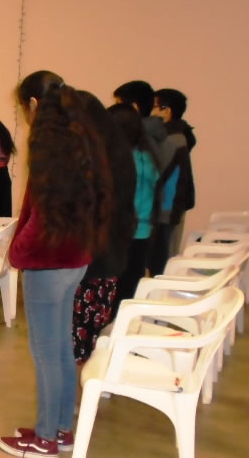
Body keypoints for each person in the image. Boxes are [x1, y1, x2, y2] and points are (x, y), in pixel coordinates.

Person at [0, 71, 112, 458]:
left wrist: (18, 252)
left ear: (33, 104)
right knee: (61, 347)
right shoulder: (81, 139)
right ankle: (61, 429)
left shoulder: (48, 148)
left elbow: (41, 215)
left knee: (46, 352)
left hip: (47, 263)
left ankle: (45, 438)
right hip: (75, 258)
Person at [71, 92, 136, 364]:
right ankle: (86, 376)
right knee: (93, 328)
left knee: (79, 334)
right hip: (110, 254)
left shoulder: (96, 161)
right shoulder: (121, 156)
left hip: (92, 256)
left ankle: (80, 385)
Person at [113, 80, 193, 278]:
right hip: (156, 211)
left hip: (162, 211)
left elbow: (156, 174)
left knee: (158, 266)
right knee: (147, 264)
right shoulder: (162, 135)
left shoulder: (166, 138)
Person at [108, 104, 159, 318]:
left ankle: (114, 328)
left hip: (123, 232)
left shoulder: (122, 160)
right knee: (131, 285)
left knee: (118, 289)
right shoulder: (147, 156)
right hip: (143, 231)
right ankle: (125, 324)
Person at [152, 88, 196, 258]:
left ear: (167, 110)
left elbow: (157, 174)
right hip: (169, 208)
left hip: (166, 210)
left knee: (163, 261)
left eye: (154, 106)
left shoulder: (171, 139)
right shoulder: (176, 135)